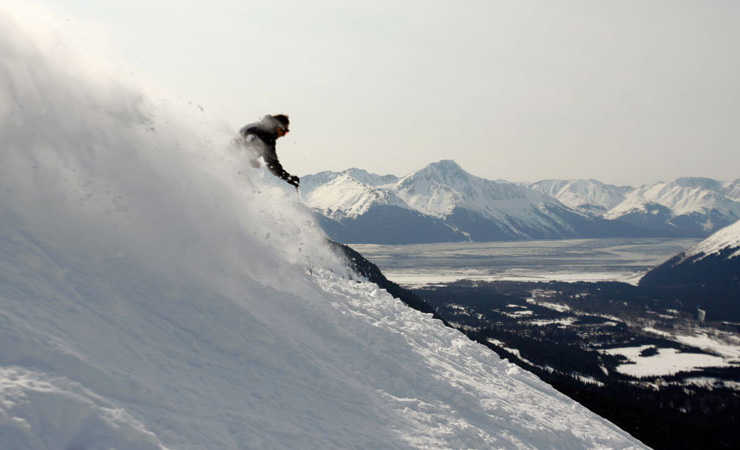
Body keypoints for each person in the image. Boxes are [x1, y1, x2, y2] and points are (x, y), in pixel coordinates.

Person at [239, 114, 300, 188]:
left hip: (234, 157)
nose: (283, 135)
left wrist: (251, 159)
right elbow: (272, 164)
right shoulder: (267, 136)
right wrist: (288, 178)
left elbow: (243, 140)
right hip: (238, 163)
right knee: (246, 186)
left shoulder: (258, 126)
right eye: (284, 131)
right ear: (279, 127)